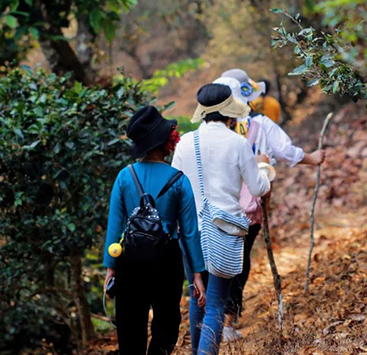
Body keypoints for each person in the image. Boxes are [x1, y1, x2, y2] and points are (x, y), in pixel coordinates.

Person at [214, 72, 326, 340]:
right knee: (241, 260)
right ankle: (228, 322)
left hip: (216, 206)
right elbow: (286, 151)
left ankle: (214, 321)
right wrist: (312, 158)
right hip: (252, 204)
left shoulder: (212, 132)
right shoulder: (261, 124)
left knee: (220, 261)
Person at [171, 83, 272, 355]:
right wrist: (263, 167)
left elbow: (174, 187)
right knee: (216, 302)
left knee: (197, 298)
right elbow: (258, 188)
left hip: (191, 231)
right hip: (224, 231)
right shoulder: (238, 143)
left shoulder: (183, 144)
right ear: (230, 114)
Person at [103, 105, 206, 355]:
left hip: (130, 258)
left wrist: (110, 268)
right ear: (165, 142)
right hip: (167, 260)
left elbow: (114, 226)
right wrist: (197, 274)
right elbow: (190, 232)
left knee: (129, 325)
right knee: (167, 322)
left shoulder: (124, 176)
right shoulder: (179, 180)